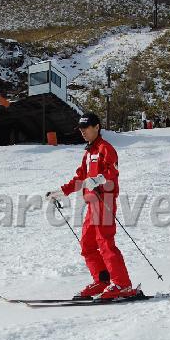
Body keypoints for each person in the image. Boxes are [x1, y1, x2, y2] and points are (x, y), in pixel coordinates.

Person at [46, 112, 135, 300]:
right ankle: (102, 281)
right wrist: (60, 192)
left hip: (105, 201)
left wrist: (98, 179)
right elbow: (80, 178)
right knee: (87, 244)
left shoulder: (105, 148)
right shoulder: (88, 153)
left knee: (105, 243)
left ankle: (123, 285)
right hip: (92, 204)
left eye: (86, 128)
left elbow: (112, 171)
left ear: (97, 127)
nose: (83, 131)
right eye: (80, 128)